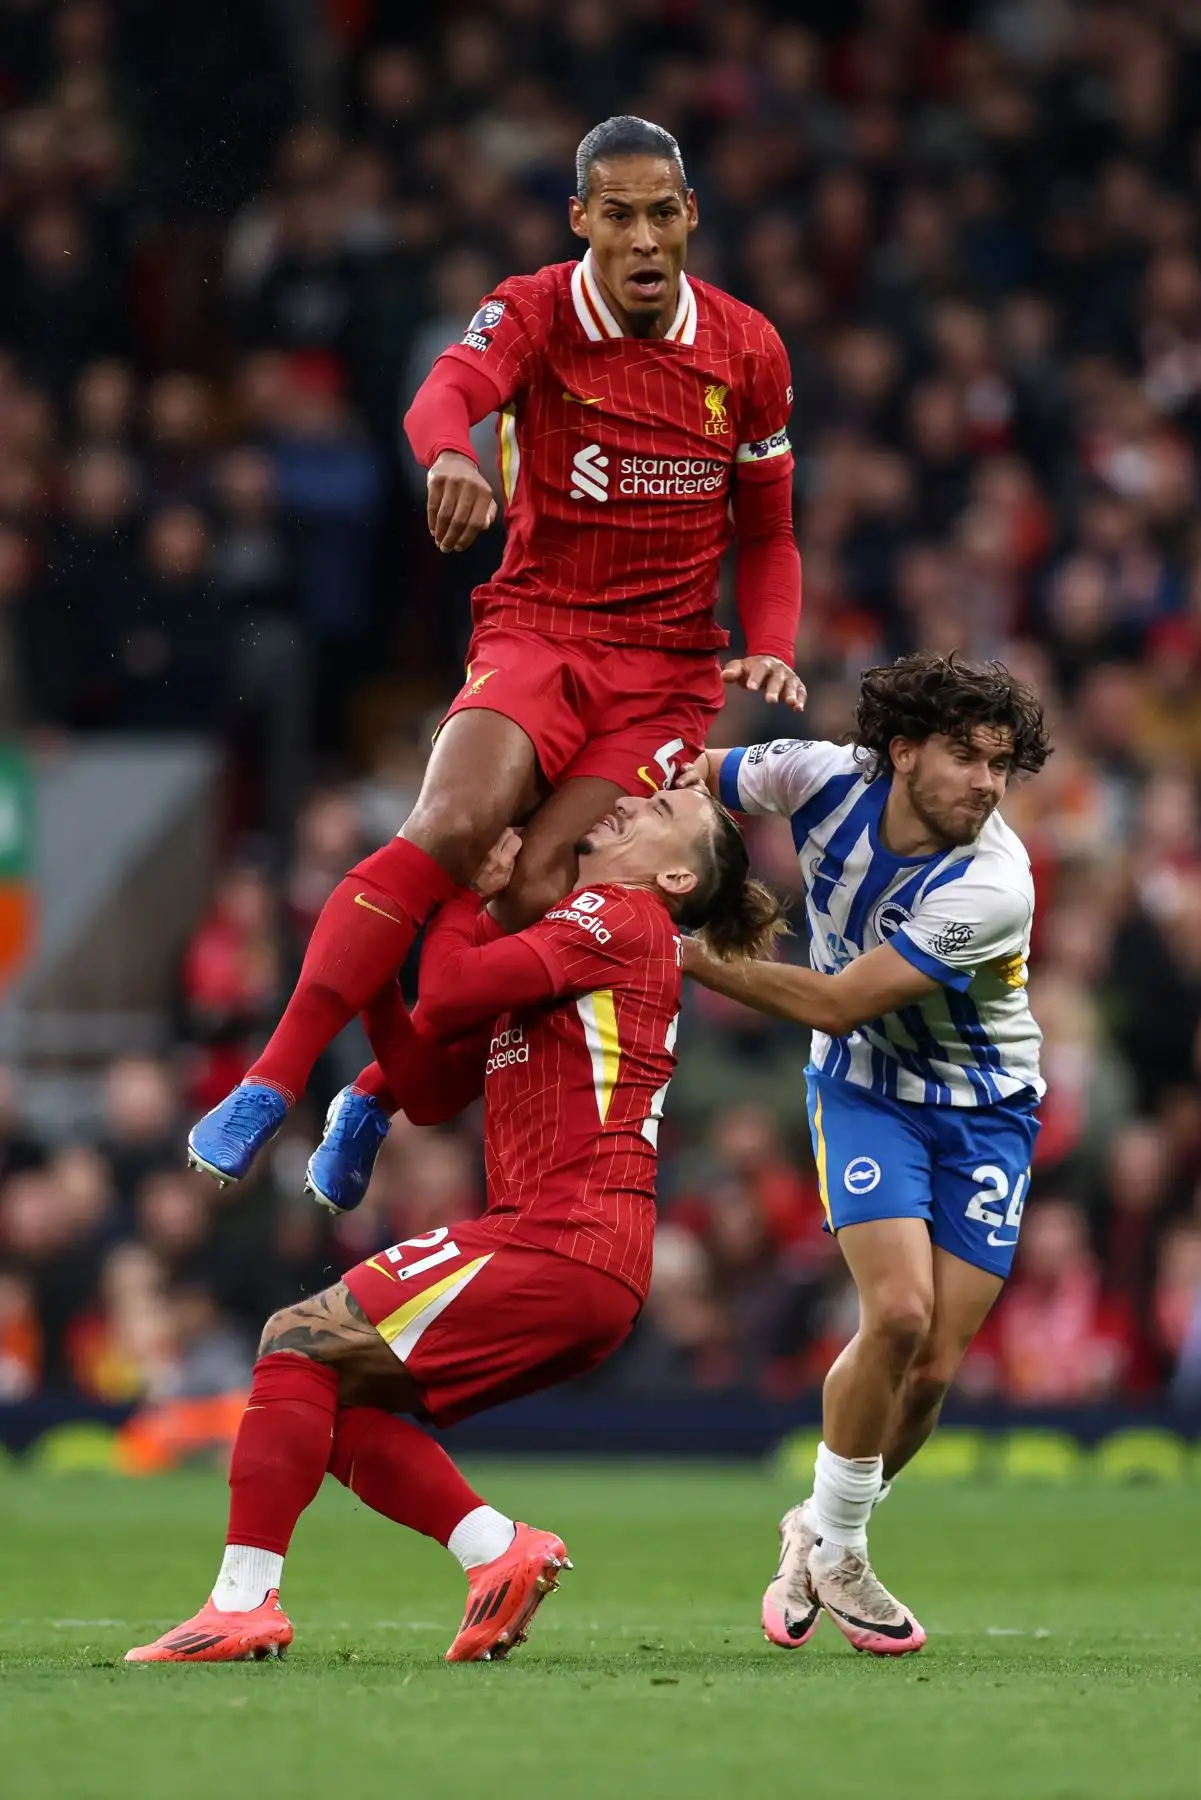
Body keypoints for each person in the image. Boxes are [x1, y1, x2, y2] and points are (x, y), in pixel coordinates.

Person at [187, 114, 803, 1204]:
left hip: (663, 678)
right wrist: (447, 456)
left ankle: (375, 1091)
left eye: (664, 213)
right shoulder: (531, 311)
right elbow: (442, 395)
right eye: (619, 216)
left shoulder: (747, 349)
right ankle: (272, 1083)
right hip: (542, 630)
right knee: (452, 828)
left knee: (527, 892)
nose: (646, 238)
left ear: (691, 216)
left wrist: (777, 648)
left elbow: (770, 534)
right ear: (582, 221)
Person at [126, 785, 784, 1666]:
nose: (634, 801)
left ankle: (241, 1603)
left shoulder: (618, 915)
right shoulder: (582, 940)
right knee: (331, 1397)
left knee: (295, 1340)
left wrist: (462, 892)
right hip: (580, 1259)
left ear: (673, 873)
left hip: (558, 1240)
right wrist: (374, 969)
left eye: (663, 810)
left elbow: (447, 992)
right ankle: (495, 1551)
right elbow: (431, 1082)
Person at [683, 652, 1050, 1656]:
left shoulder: (992, 883)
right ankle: (840, 1550)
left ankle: (817, 1522)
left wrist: (677, 951)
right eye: (967, 758)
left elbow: (843, 996)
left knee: (930, 1370)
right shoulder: (815, 776)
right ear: (900, 750)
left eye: (1000, 765)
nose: (987, 782)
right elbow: (677, 771)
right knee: (895, 1314)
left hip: (984, 1110)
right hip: (862, 1090)